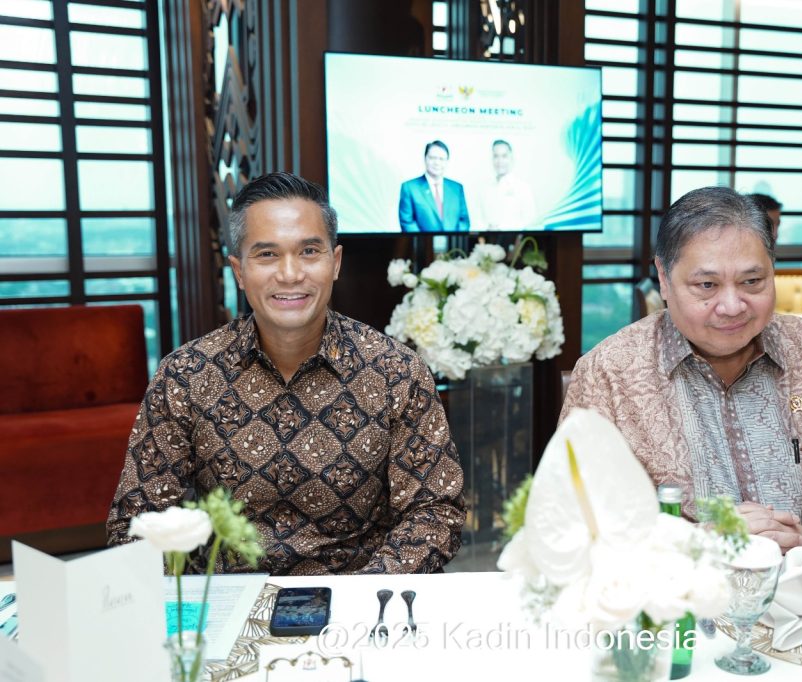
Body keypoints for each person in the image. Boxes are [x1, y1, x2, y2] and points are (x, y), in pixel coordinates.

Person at [108, 172, 466, 575]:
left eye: (309, 251)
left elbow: (435, 510)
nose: (291, 274)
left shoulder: (395, 371)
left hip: (358, 594)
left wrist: (363, 593)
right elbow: (136, 520)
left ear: (335, 262)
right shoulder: (187, 374)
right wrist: (193, 597)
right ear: (239, 271)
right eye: (267, 255)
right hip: (228, 596)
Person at [561, 186, 802, 551]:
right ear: (664, 278)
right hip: (677, 584)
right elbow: (574, 516)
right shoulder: (608, 374)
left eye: (751, 282)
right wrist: (697, 544)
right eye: (707, 285)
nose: (732, 306)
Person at [398, 140, 470, 232]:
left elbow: (464, 221)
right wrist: (426, 240)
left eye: (441, 159)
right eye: (432, 158)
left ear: (447, 161)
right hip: (421, 241)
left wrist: (453, 239)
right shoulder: (410, 187)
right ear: (425, 159)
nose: (437, 163)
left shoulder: (457, 188)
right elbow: (407, 222)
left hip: (453, 241)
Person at [482, 139, 536, 230]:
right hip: (489, 238)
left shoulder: (523, 188)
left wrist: (501, 228)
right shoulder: (486, 189)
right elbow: (481, 220)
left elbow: (530, 222)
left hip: (515, 238)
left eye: (504, 156)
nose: (500, 161)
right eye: (496, 156)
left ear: (511, 159)